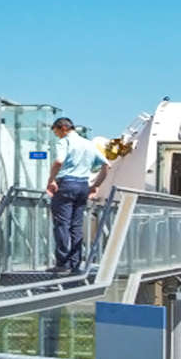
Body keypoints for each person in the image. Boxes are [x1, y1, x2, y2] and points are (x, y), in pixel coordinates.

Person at [46, 117, 108, 274]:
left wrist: (51, 180)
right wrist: (95, 186)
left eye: (57, 133)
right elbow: (107, 165)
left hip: (66, 184)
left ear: (63, 128)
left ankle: (62, 263)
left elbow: (59, 161)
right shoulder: (89, 144)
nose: (58, 136)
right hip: (82, 185)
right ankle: (75, 263)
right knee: (76, 226)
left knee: (62, 224)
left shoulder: (65, 142)